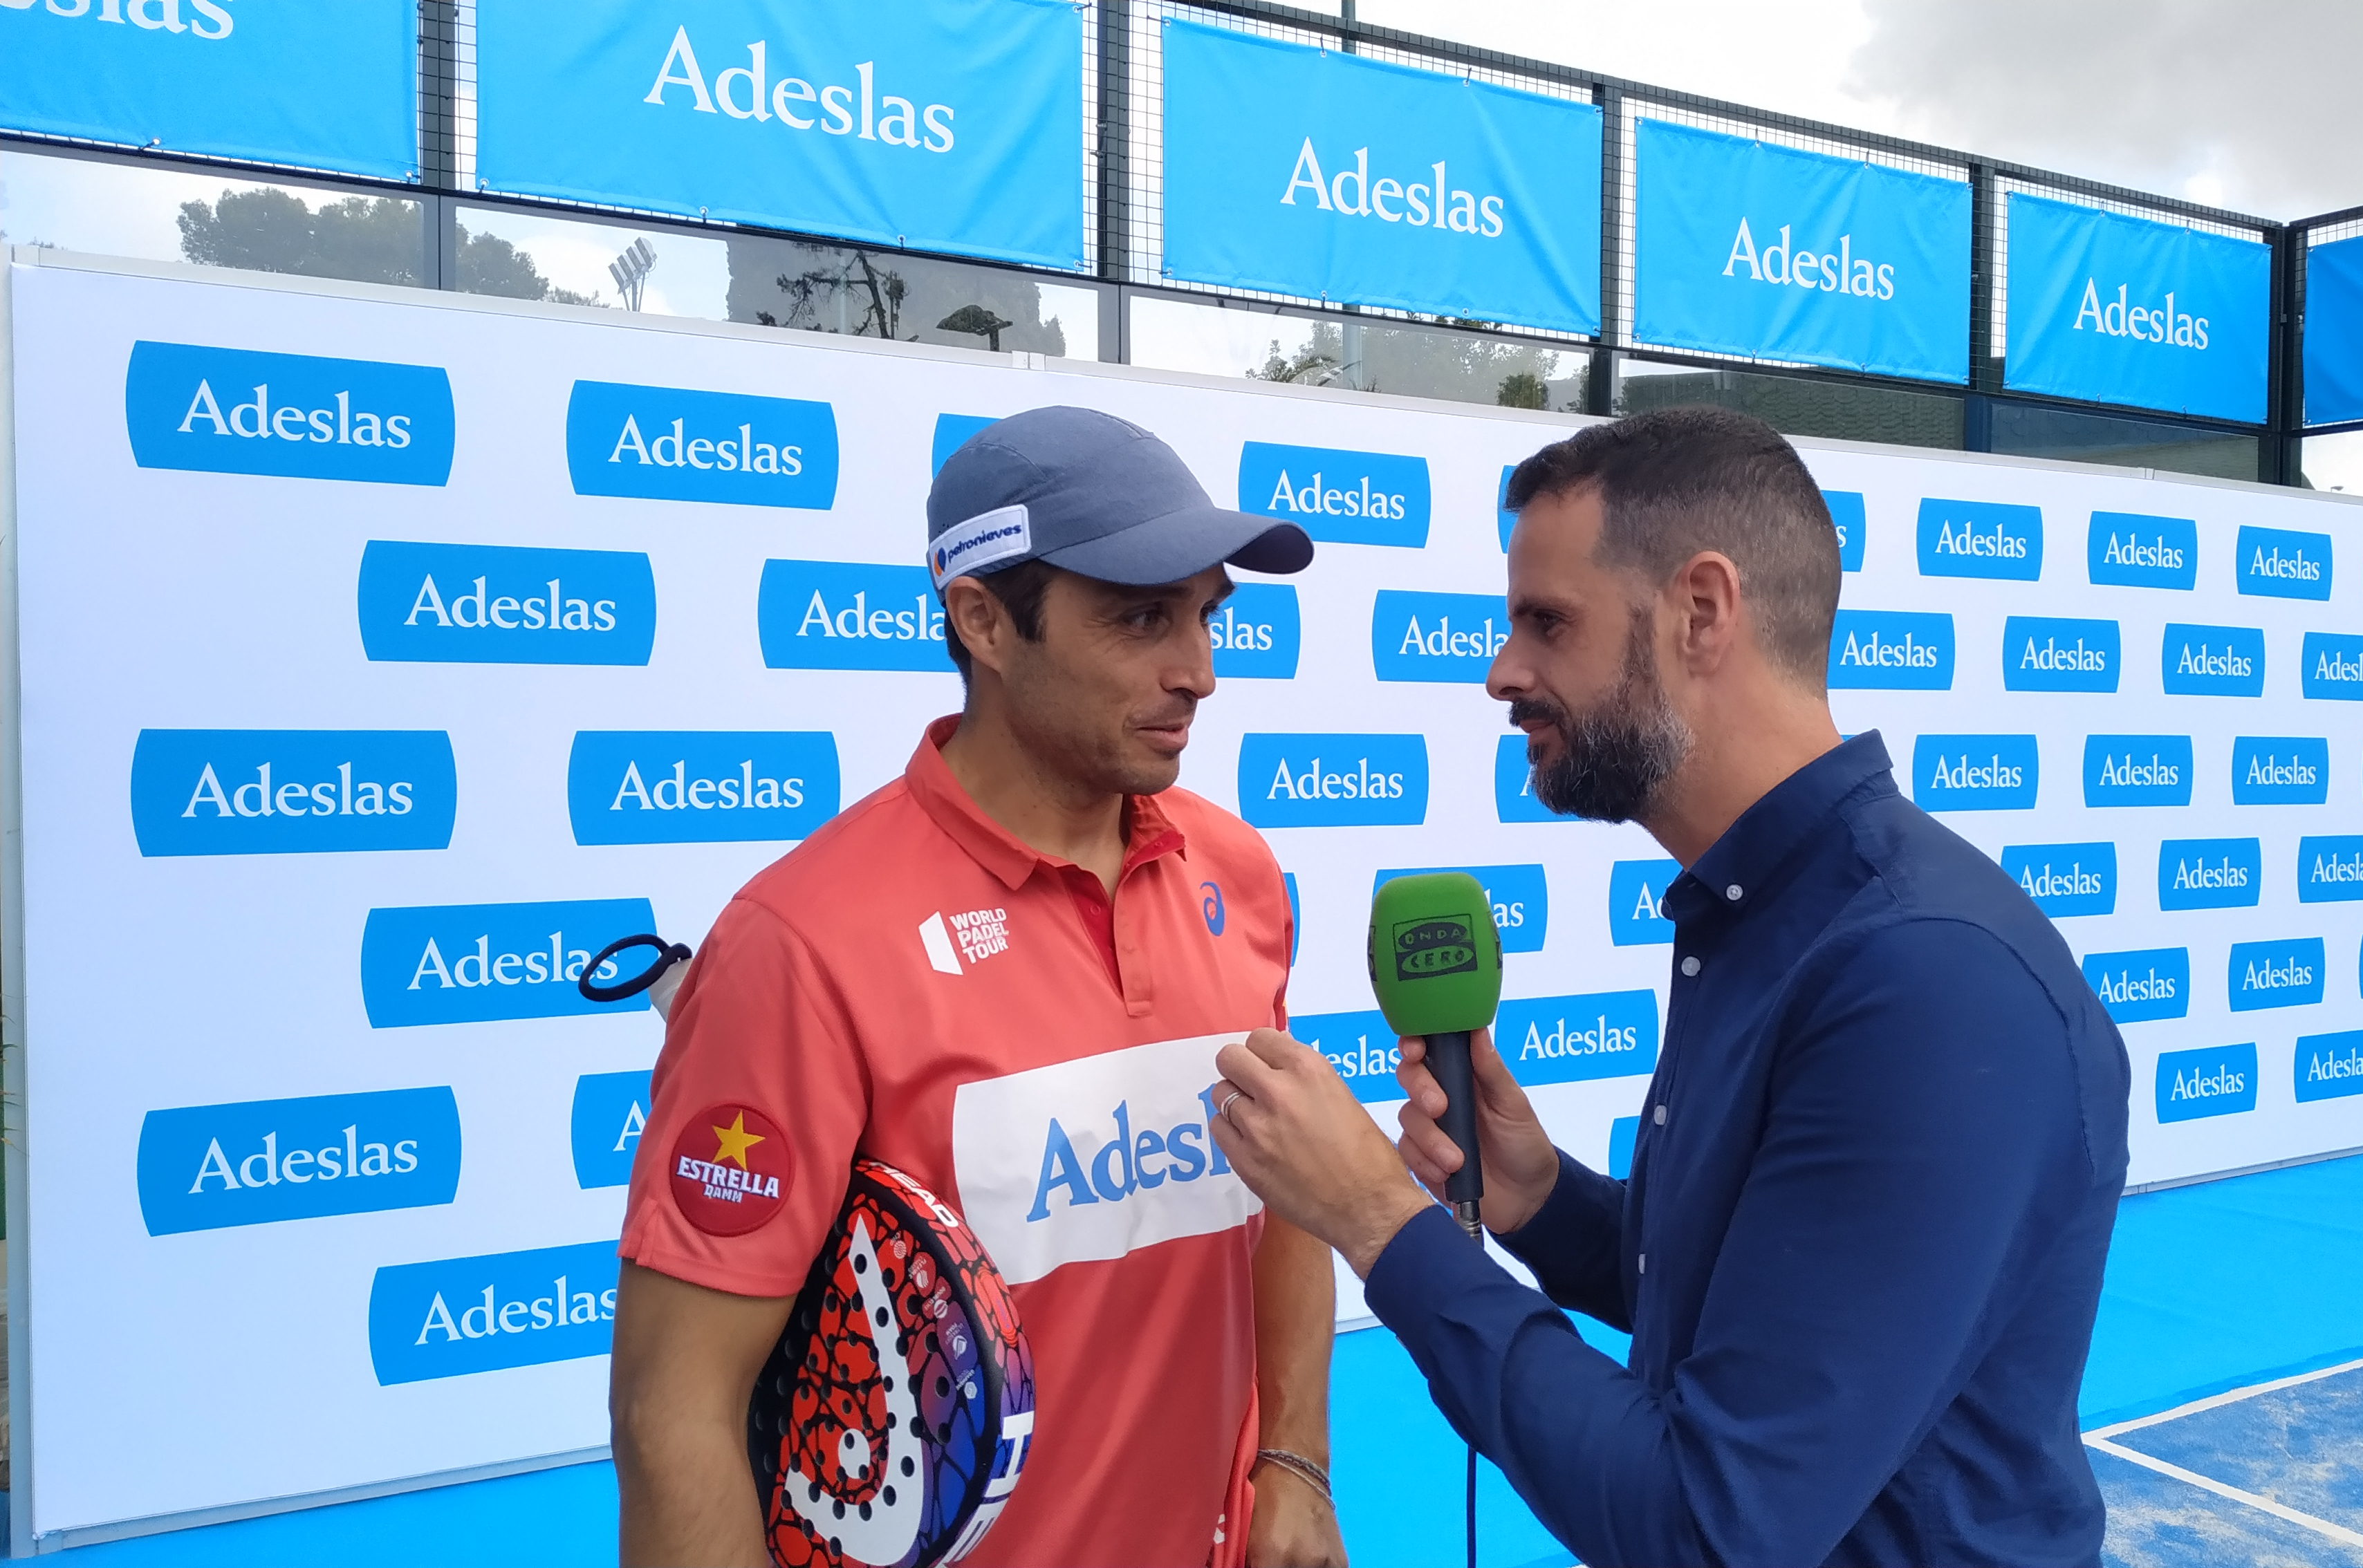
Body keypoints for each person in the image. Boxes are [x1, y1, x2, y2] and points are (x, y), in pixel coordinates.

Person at [1205, 406, 2131, 1567]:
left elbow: (1706, 1528)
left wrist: (1377, 1223)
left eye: (1548, 624)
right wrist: (1545, 1202)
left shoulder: (1926, 981)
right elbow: (1754, 1317)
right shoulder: (1761, 915)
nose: (1504, 673)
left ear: (1701, 611)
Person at [610, 406, 1349, 1568]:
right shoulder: (799, 943)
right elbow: (675, 1408)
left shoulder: (1238, 872)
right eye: (1141, 616)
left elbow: (1288, 1197)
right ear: (984, 621)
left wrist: (1294, 1462)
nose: (1198, 672)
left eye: (1209, 616)